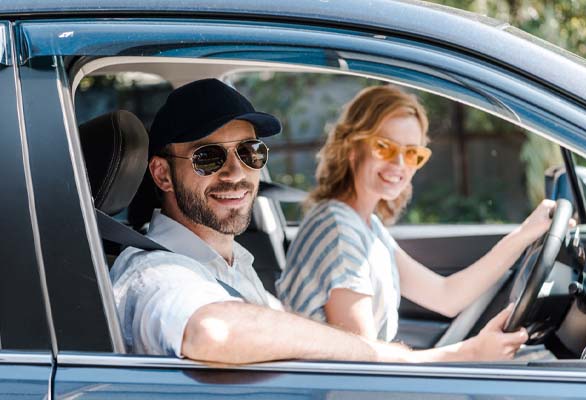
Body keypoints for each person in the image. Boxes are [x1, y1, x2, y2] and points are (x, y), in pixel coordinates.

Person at [111, 79, 528, 365]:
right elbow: (213, 331)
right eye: (208, 156)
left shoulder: (233, 263)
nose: (236, 173)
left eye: (250, 153)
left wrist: (460, 356)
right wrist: (378, 352)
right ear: (163, 174)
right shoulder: (154, 273)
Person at [277, 85, 554, 346]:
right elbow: (363, 365)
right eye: (384, 147)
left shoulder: (365, 225)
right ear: (352, 149)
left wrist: (525, 234)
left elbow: (447, 296)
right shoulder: (338, 234)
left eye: (412, 153)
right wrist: (470, 354)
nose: (399, 164)